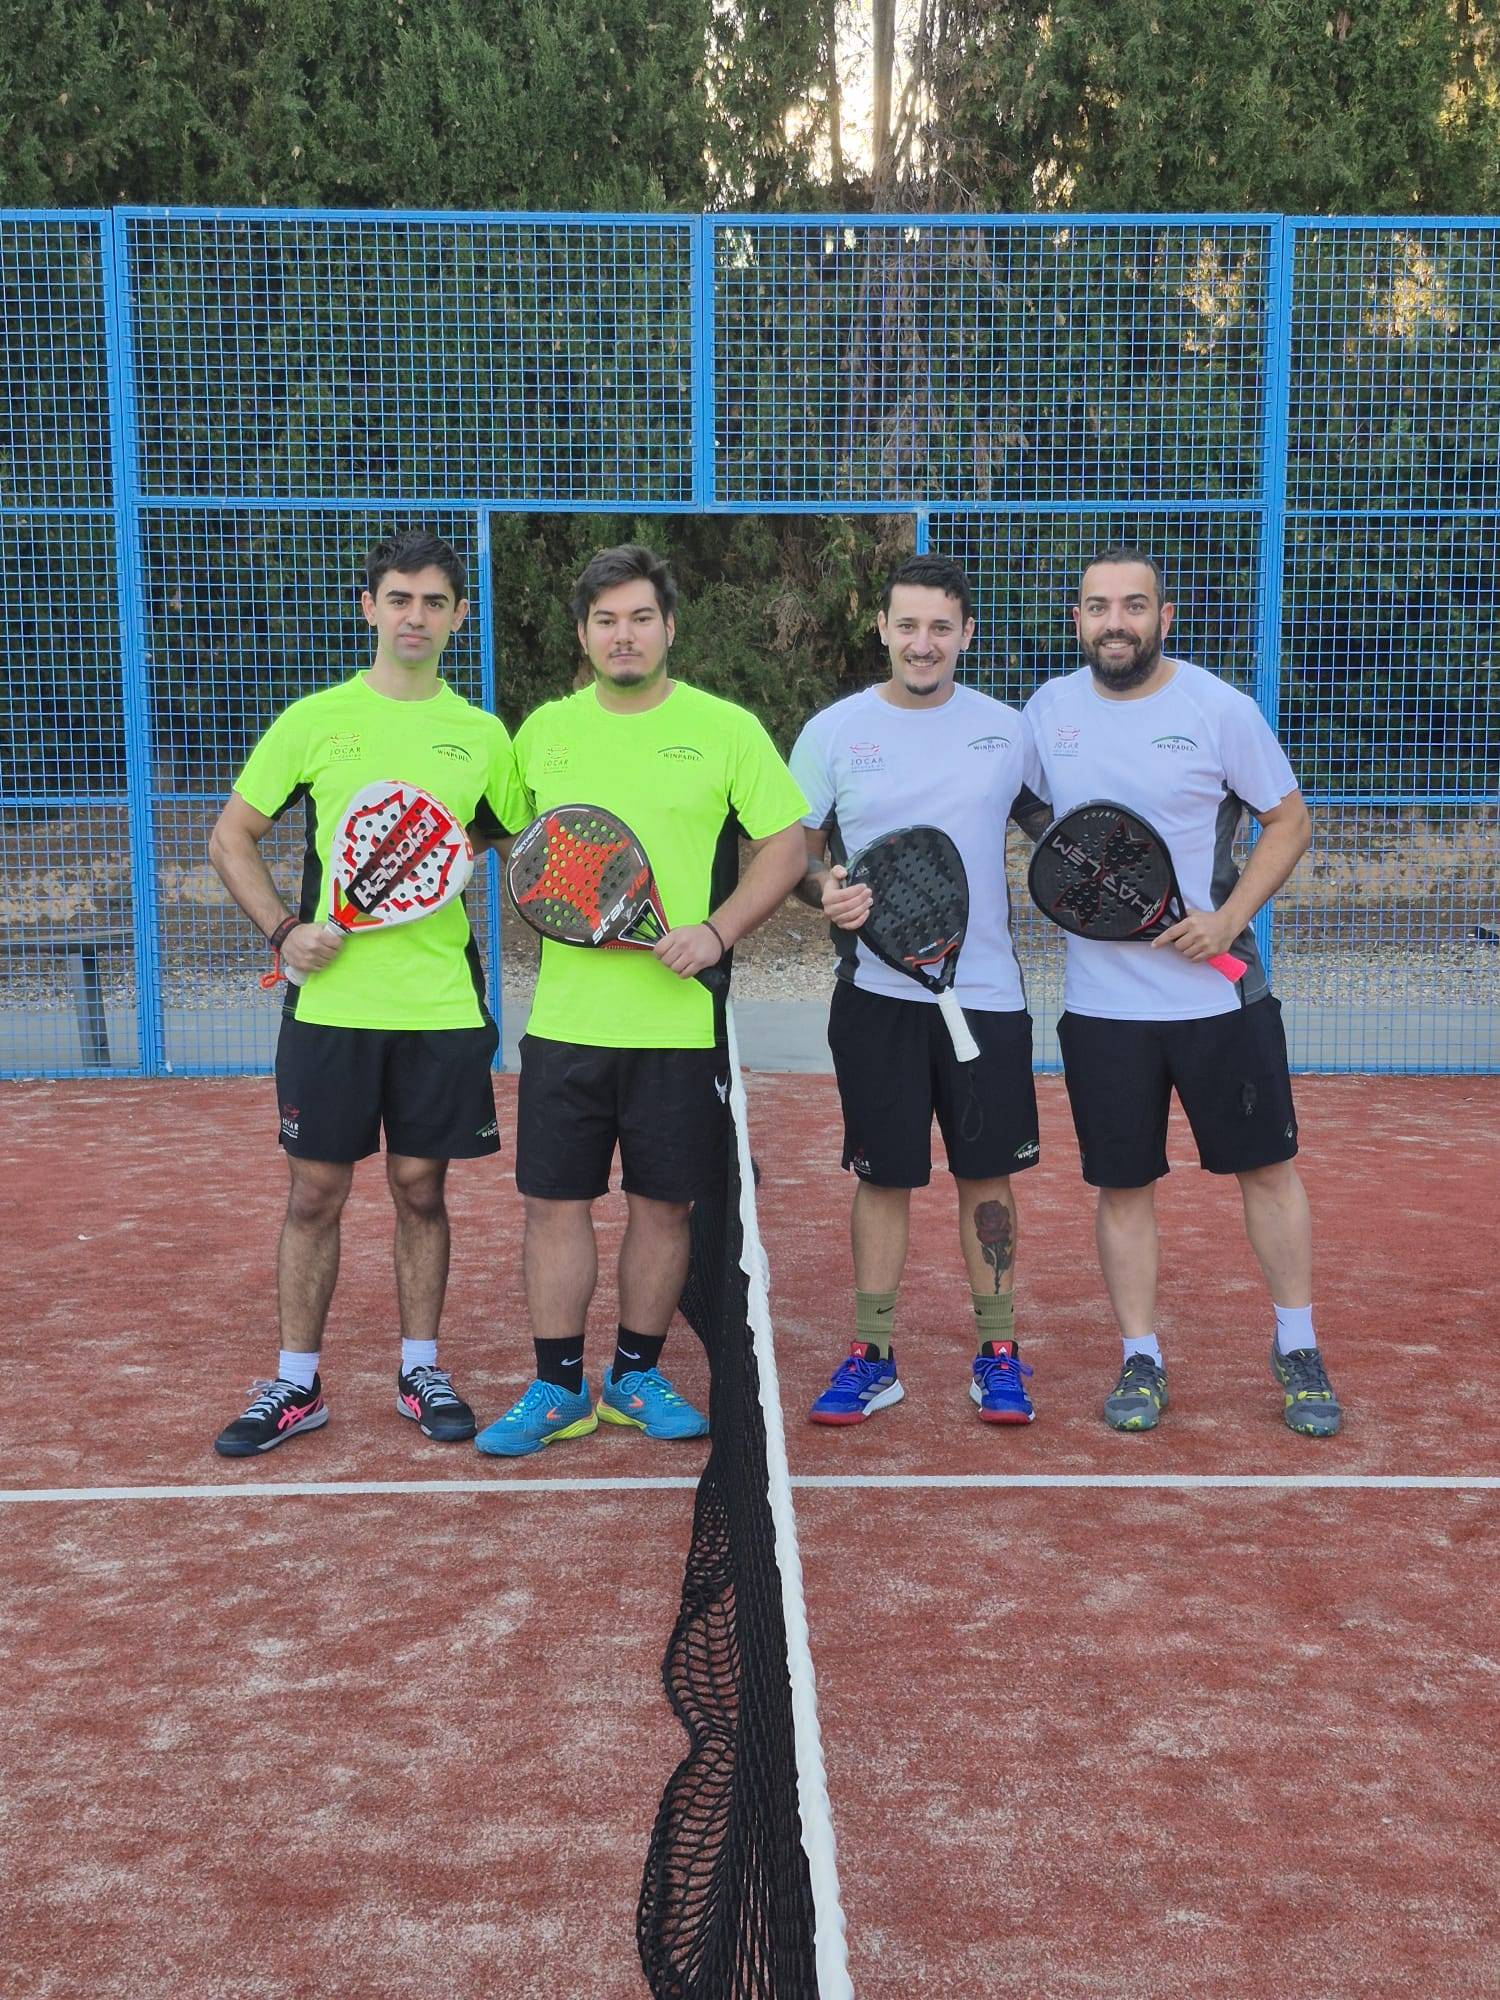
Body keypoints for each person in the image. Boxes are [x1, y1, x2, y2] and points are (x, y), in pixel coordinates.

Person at [474, 544, 807, 1457]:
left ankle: (633, 1377)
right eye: (606, 621)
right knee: (555, 1205)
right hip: (565, 1025)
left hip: (680, 1024)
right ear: (584, 635)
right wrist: (563, 895)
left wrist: (716, 932)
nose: (624, 635)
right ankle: (556, 1388)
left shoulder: (726, 729)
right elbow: (510, 833)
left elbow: (785, 846)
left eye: (641, 618)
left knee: (664, 1207)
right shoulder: (544, 731)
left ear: (670, 628)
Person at [208, 530, 528, 1457]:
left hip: (440, 1005)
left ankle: (420, 1369)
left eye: (433, 602)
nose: (414, 617)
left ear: (458, 617)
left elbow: (505, 836)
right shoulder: (316, 721)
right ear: (369, 608)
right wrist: (284, 930)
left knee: (421, 1188)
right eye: (398, 599)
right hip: (331, 1005)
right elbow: (231, 837)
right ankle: (296, 1384)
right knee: (314, 1193)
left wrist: (440, 863)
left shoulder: (483, 737)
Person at [1022, 546, 1341, 1436]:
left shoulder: (1217, 707)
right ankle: (1141, 1356)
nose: (1114, 622)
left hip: (1221, 1002)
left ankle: (1298, 1345)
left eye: (1133, 605)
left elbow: (1289, 820)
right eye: (1097, 607)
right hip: (1102, 1010)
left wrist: (1228, 916)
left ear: (1165, 617)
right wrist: (1077, 871)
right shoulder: (1048, 712)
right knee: (1123, 1187)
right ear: (1077, 621)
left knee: (1267, 1171)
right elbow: (1023, 806)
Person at [789, 556, 1044, 1428]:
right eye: (907, 625)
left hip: (987, 997)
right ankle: (873, 1355)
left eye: (940, 627)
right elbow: (799, 854)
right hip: (875, 997)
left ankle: (998, 1352)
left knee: (987, 1175)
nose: (922, 643)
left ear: (966, 633)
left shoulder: (1008, 732)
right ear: (883, 629)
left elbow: (1059, 835)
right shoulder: (833, 732)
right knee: (883, 1176)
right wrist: (823, 890)